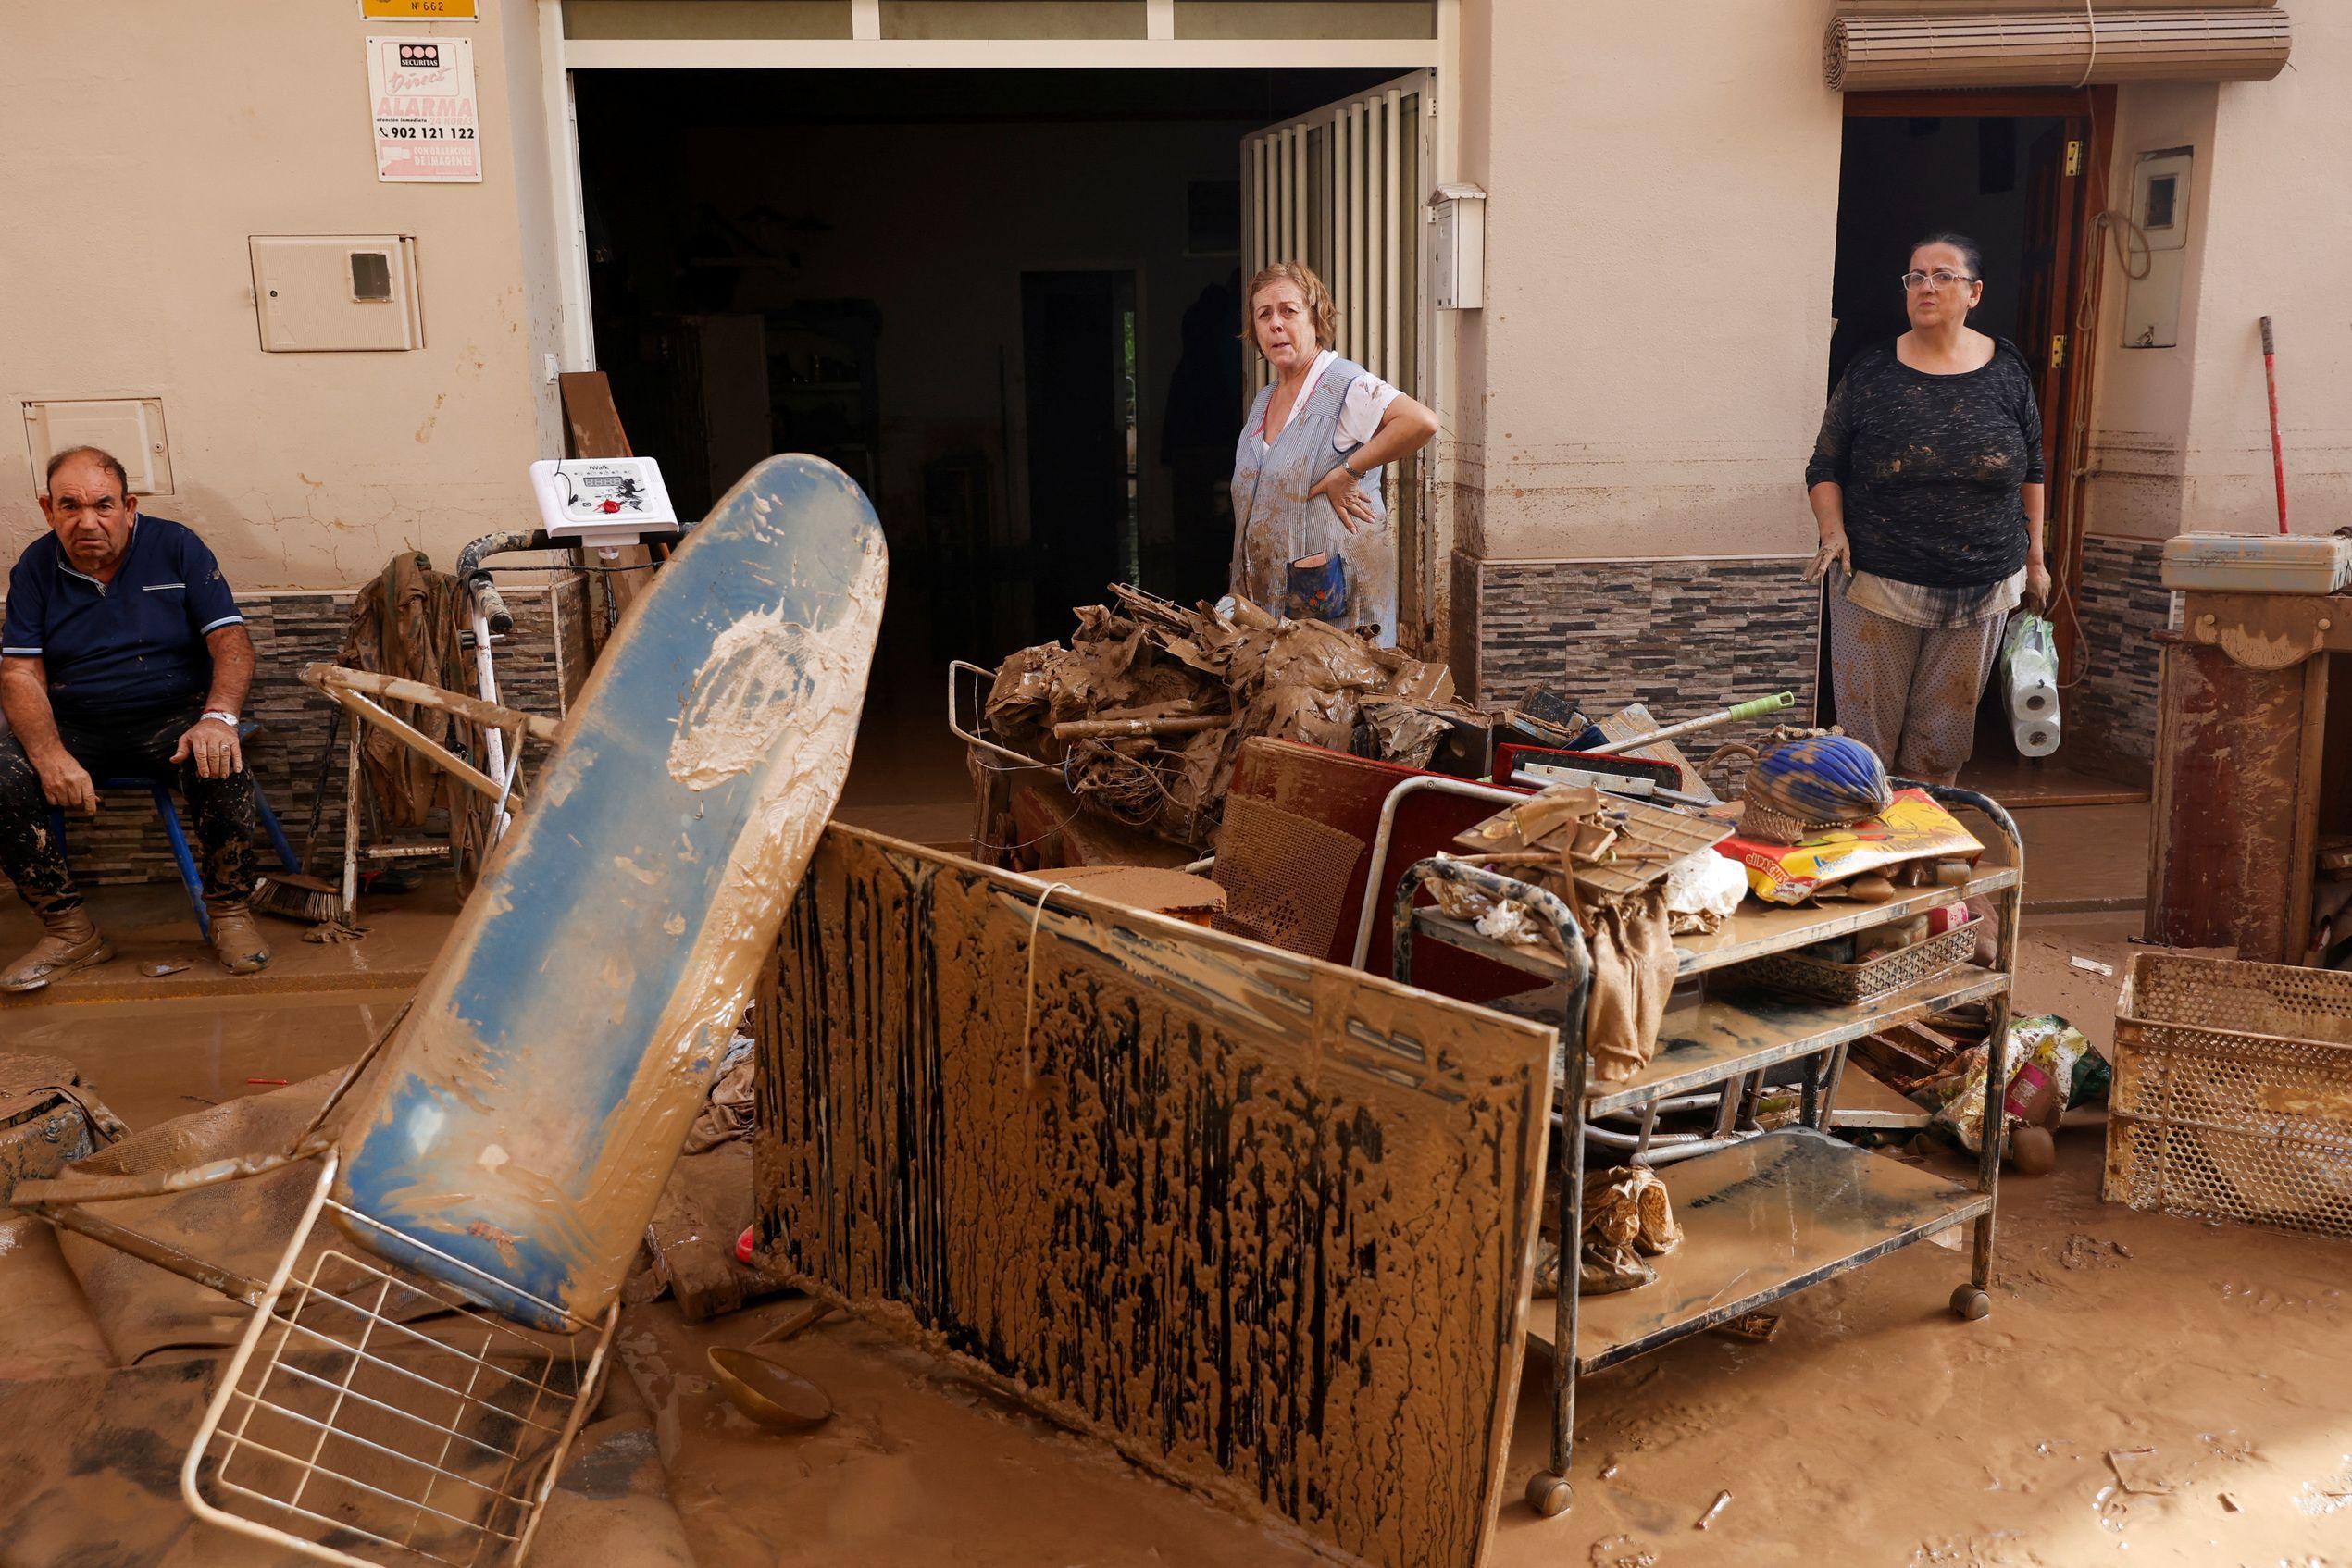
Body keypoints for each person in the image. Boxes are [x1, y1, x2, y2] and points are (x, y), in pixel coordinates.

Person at [0, 446, 271, 989]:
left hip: (174, 717)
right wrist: (50, 754)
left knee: (218, 760)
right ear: (47, 507)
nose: (87, 521)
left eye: (102, 505)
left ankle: (230, 913)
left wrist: (217, 717)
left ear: (128, 506)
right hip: (76, 723)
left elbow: (232, 643)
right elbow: (18, 674)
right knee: (1, 774)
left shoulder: (175, 546)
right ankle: (69, 930)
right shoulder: (35, 565)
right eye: (70, 506)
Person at [1803, 232, 2052, 785]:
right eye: (1916, 277)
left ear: (1975, 293)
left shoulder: (2008, 371)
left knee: (1942, 743)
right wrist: (1832, 533)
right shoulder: (1871, 373)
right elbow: (1824, 466)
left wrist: (2035, 559)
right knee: (1866, 748)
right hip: (1876, 584)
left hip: (1982, 584)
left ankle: (1922, 858)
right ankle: (1868, 859)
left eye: (1943, 276)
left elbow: (2031, 467)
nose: (1926, 287)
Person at [1230, 260, 1439, 647]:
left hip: (1333, 603)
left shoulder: (1344, 383)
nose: (1276, 323)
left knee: (1340, 699)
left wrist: (1350, 470)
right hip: (1271, 604)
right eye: (1264, 314)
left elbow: (1420, 422)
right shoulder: (1263, 402)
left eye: (1289, 311)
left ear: (1316, 319)